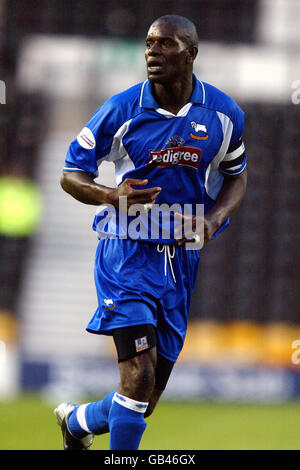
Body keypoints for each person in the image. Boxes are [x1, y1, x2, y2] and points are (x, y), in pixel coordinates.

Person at [54, 14, 247, 450]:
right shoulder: (121, 109)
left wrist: (212, 221)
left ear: (191, 54)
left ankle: (78, 422)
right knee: (137, 376)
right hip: (127, 253)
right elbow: (71, 175)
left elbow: (237, 176)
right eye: (148, 44)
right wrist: (110, 194)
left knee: (145, 398)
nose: (152, 53)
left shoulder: (223, 114)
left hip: (181, 261)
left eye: (165, 45)